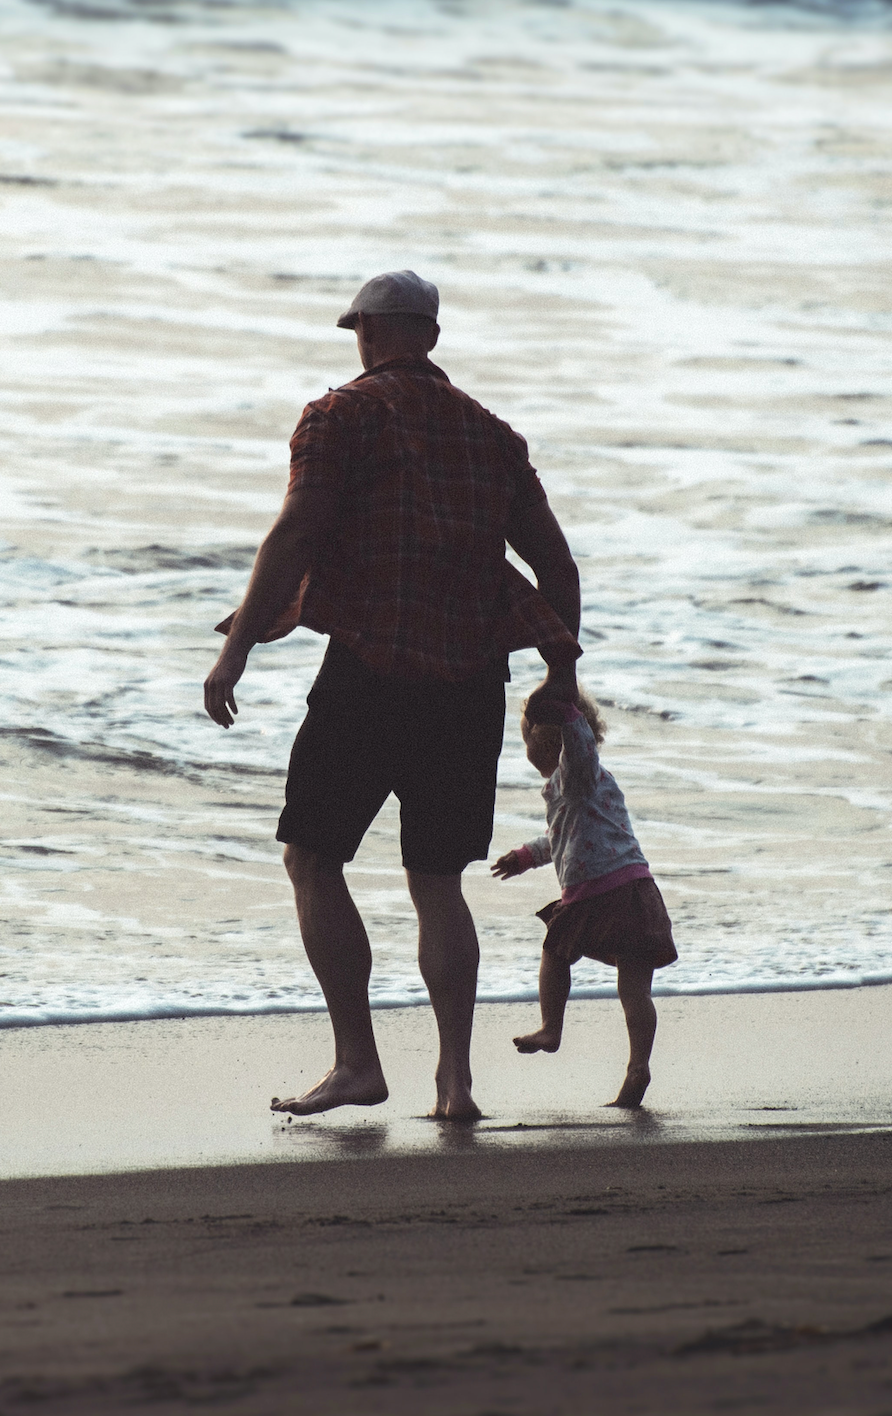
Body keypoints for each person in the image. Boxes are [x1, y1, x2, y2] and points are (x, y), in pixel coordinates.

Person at [203, 270, 583, 1121]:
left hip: (370, 670)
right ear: (433, 338)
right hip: (471, 680)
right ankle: (455, 1083)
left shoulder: (338, 416)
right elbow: (556, 568)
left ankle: (357, 1064)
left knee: (312, 856)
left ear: (367, 333)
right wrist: (560, 678)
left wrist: (236, 652)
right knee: (437, 879)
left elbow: (298, 529)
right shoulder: (493, 435)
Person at [491, 688, 677, 1109]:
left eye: (526, 740)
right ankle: (638, 1068)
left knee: (555, 953)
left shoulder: (577, 773)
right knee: (634, 990)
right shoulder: (575, 789)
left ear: (551, 741)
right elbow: (561, 839)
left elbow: (578, 746)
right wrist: (526, 857)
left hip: (599, 896)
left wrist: (564, 708)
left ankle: (550, 1026)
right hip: (634, 892)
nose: (525, 751)